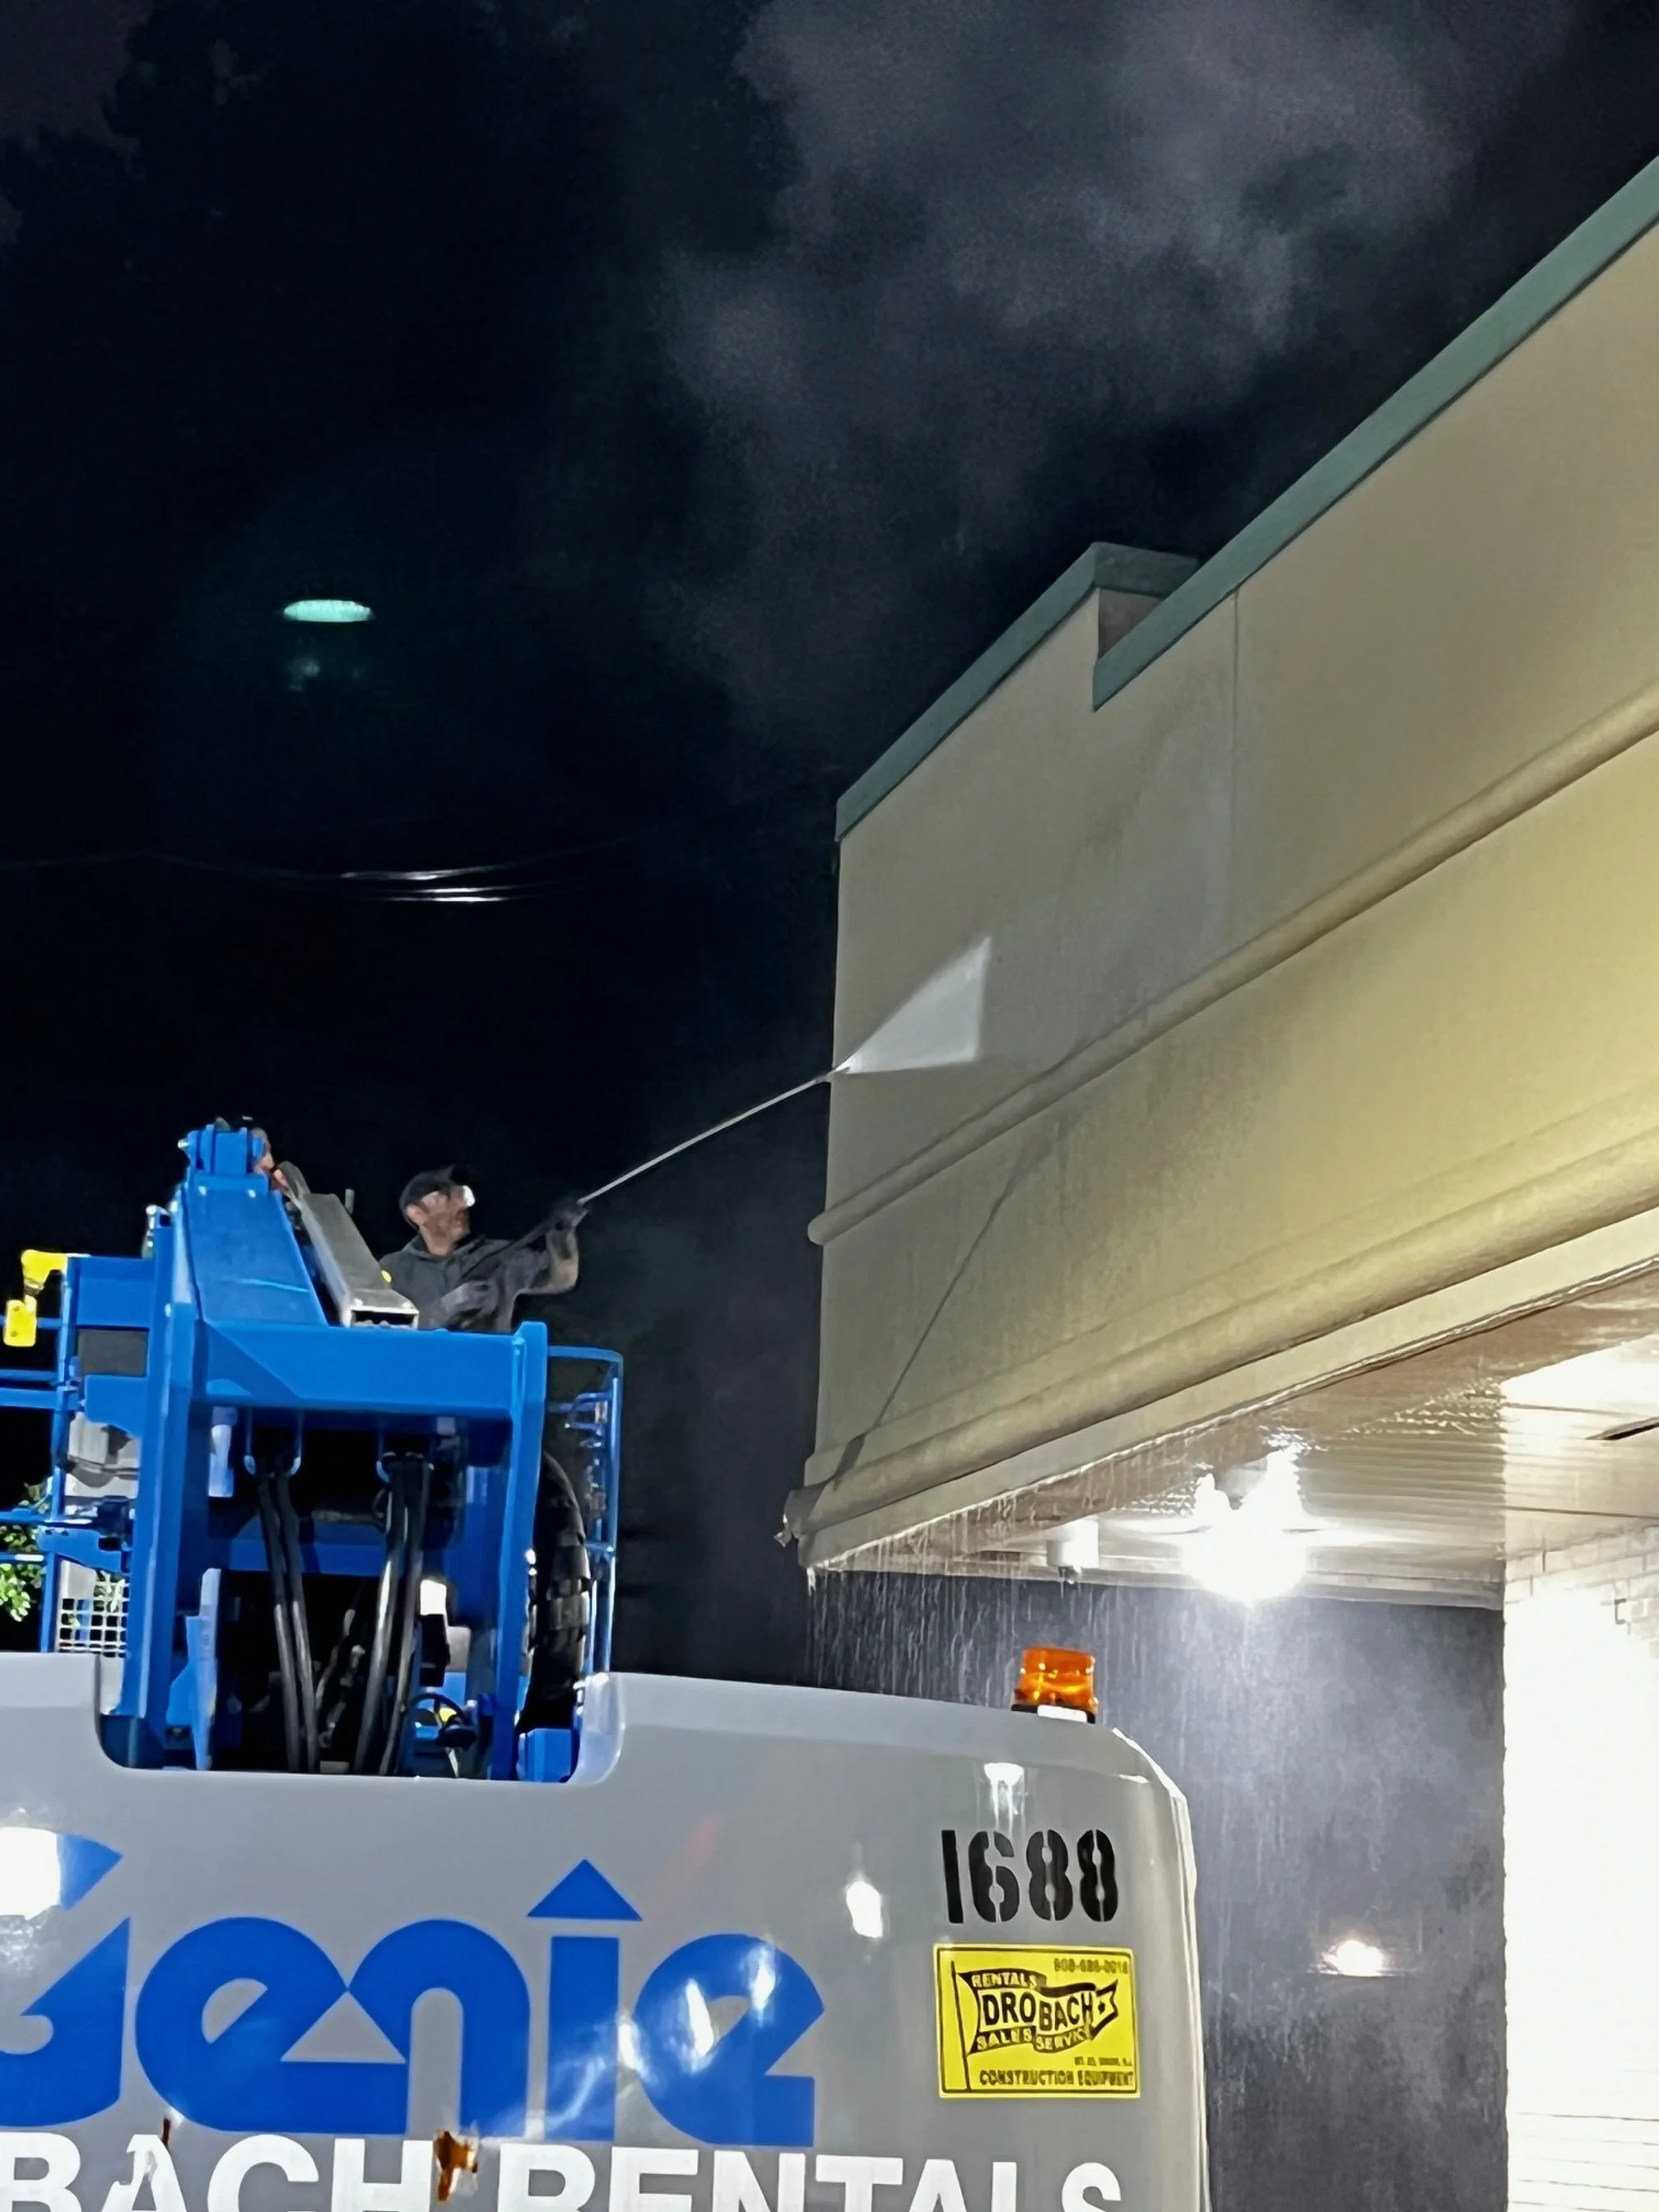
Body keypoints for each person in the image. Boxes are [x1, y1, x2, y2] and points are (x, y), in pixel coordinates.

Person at [380, 1167, 584, 1331]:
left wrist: (562, 1234)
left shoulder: (499, 1255)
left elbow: (562, 1279)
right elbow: (380, 1329)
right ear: (417, 1214)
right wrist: (449, 1305)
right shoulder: (393, 1269)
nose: (463, 1204)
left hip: (490, 1376)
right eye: (444, 1196)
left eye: (461, 1193)